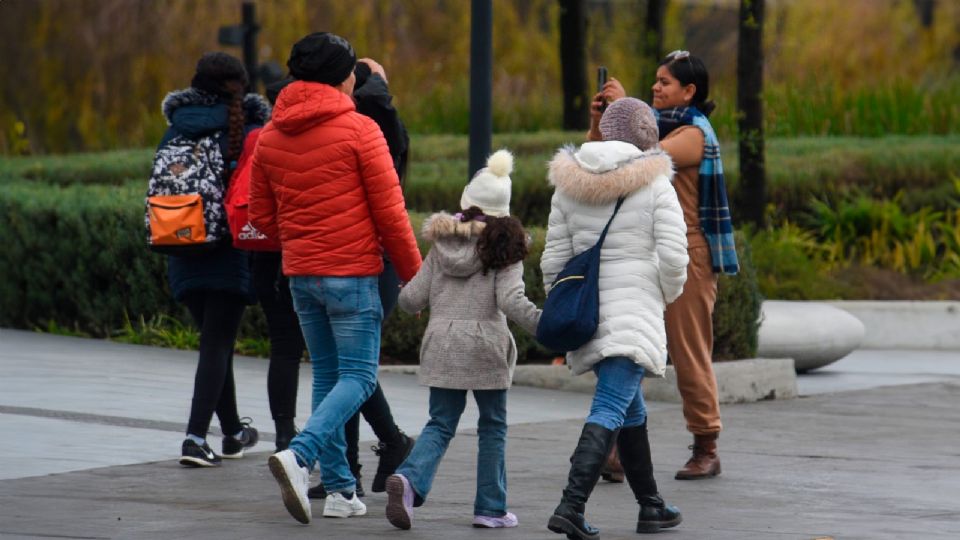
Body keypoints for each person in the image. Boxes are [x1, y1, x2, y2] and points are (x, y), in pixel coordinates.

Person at [249, 32, 421, 523]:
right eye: (349, 72)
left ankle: (343, 491)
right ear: (339, 78)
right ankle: (300, 455)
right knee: (360, 377)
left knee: (327, 376)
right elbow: (391, 215)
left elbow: (260, 216)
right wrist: (415, 276)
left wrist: (303, 237)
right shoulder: (360, 130)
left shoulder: (270, 135)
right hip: (352, 273)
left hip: (302, 275)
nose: (353, 80)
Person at [542, 98, 688, 538]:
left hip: (587, 313)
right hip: (634, 309)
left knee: (630, 408)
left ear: (605, 131)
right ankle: (571, 506)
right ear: (647, 137)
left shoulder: (569, 184)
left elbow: (554, 260)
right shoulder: (656, 183)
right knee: (610, 405)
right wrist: (665, 294)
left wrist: (564, 304)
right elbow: (675, 257)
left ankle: (651, 506)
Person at [591, 50, 739, 481]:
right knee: (631, 349)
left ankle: (706, 446)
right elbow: (603, 160)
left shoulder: (694, 134)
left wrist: (624, 109)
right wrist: (601, 122)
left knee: (688, 353)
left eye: (665, 82)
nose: (656, 87)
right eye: (655, 80)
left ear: (689, 91)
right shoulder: (658, 126)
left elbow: (644, 158)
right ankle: (618, 450)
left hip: (688, 253)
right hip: (644, 249)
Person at [383, 149, 541, 531]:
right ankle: (490, 508)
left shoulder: (442, 244)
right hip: (486, 343)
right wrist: (545, 325)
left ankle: (410, 479)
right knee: (493, 426)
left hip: (442, 343)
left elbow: (411, 299)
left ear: (466, 201)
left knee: (440, 422)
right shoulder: (507, 247)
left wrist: (408, 294)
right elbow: (510, 301)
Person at [158, 52, 268, 467]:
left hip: (181, 246)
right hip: (227, 250)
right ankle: (195, 438)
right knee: (216, 345)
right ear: (241, 86)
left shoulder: (175, 129)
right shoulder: (245, 130)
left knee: (214, 344)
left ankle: (233, 432)